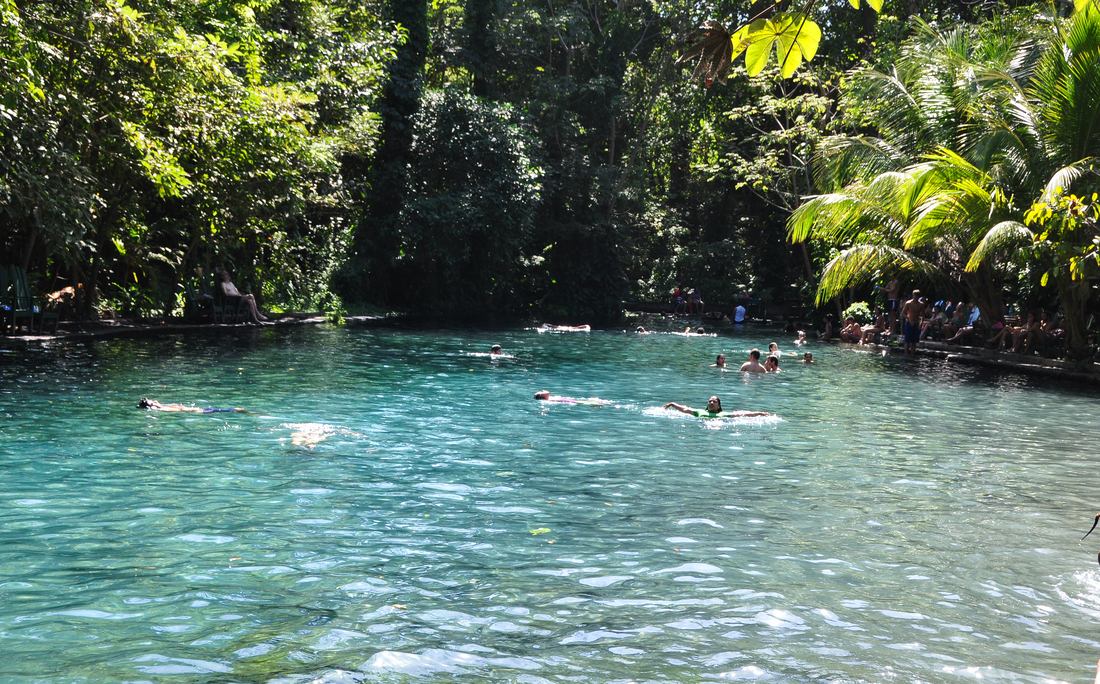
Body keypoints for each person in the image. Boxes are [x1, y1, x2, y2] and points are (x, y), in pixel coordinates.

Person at [663, 395, 772, 418]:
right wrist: (672, 404)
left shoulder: (724, 414)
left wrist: (760, 413)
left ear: (719, 405)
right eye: (709, 401)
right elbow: (685, 409)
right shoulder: (700, 412)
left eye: (714, 402)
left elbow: (743, 414)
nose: (711, 403)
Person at [137, 398, 246, 414]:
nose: (156, 400)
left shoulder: (161, 406)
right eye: (153, 401)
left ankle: (237, 410)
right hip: (196, 412)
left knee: (220, 410)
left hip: (196, 410)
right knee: (221, 410)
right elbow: (179, 410)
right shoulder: (159, 408)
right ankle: (237, 410)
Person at [900, 289, 923, 354]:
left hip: (916, 323)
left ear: (919, 296)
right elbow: (903, 313)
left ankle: (912, 355)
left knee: (914, 341)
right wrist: (909, 320)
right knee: (907, 340)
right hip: (909, 323)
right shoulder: (908, 303)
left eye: (917, 296)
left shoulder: (921, 304)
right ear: (913, 295)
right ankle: (906, 354)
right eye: (915, 296)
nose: (916, 297)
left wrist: (920, 323)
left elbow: (923, 315)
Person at [533, 390, 610, 406]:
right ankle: (595, 404)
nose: (542, 390)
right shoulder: (549, 400)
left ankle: (596, 403)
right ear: (543, 396)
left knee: (585, 401)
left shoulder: (550, 398)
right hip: (569, 401)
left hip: (569, 400)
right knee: (583, 402)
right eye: (541, 391)